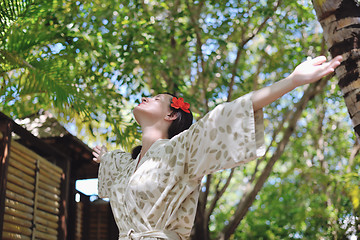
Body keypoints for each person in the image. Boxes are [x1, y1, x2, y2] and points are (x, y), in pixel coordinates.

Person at [92, 55, 342, 240]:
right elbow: (112, 165)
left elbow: (228, 114)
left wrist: (292, 81)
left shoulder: (181, 150)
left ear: (171, 115)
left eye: (157, 98)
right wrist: (104, 158)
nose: (145, 98)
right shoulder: (125, 165)